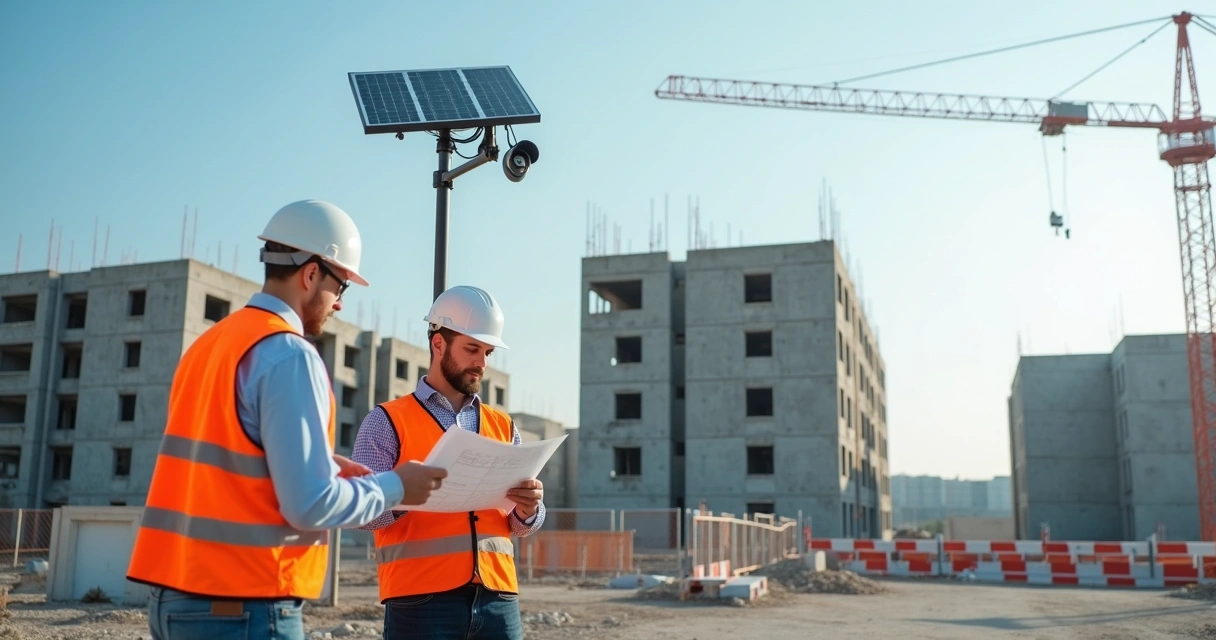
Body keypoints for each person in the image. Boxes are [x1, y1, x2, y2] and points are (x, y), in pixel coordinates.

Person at [126, 200, 449, 640]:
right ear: (311, 273)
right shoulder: (289, 355)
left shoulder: (210, 344)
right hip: (244, 604)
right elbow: (309, 506)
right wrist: (396, 487)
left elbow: (226, 458)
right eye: (341, 287)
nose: (338, 304)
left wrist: (319, 462)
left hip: (176, 600)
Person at [352, 285, 545, 640]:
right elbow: (359, 512)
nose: (482, 363)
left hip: (498, 597)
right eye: (472, 349)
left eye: (487, 352)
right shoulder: (386, 421)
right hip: (420, 601)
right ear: (438, 343)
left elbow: (520, 526)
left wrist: (529, 508)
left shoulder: (503, 425)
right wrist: (403, 493)